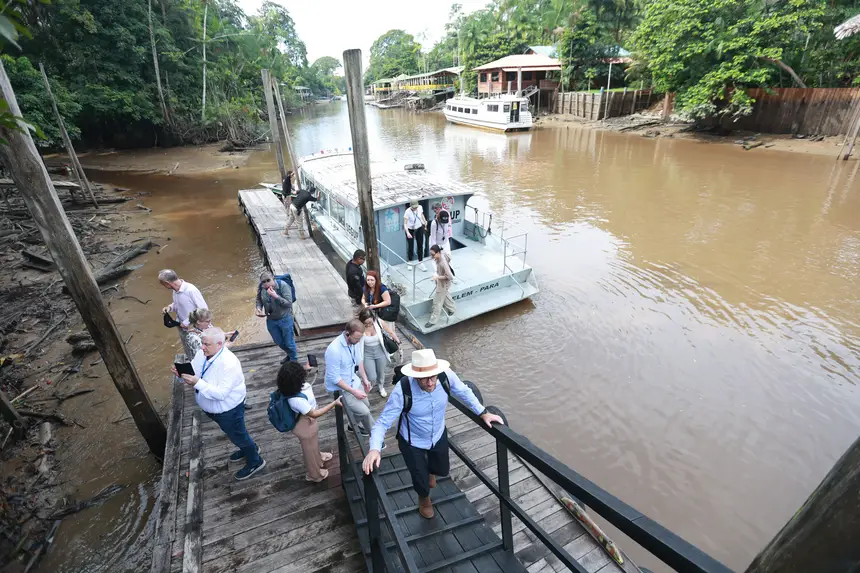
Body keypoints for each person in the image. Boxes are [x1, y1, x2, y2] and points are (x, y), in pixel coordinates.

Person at [362, 349, 503, 518]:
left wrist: (483, 412)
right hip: (412, 440)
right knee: (420, 478)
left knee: (441, 469)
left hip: (437, 433)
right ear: (415, 376)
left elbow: (464, 391)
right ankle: (424, 500)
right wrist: (374, 449)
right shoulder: (403, 389)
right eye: (424, 378)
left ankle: (431, 472)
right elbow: (383, 422)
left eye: (433, 377)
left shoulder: (445, 376)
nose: (430, 383)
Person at [172, 327, 266, 481]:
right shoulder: (202, 354)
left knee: (238, 434)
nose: (202, 347)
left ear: (220, 344)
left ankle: (256, 461)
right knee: (236, 434)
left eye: (206, 344)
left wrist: (197, 383)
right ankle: (250, 448)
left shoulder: (229, 363)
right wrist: (182, 374)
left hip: (229, 411)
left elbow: (221, 394)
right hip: (213, 410)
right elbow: (195, 371)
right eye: (202, 343)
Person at [277, 361, 341, 482]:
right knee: (309, 451)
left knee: (313, 443)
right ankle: (314, 475)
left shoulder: (290, 386)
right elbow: (314, 414)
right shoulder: (296, 399)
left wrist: (306, 369)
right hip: (304, 425)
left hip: (308, 422)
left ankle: (319, 458)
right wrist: (334, 403)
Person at [324, 319, 374, 437]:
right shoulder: (334, 350)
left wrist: (365, 379)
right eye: (356, 338)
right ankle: (376, 438)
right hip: (340, 388)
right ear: (347, 333)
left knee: (366, 405)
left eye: (360, 338)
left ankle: (352, 426)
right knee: (365, 412)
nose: (358, 341)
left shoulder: (354, 342)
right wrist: (354, 392)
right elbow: (334, 378)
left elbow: (359, 361)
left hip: (353, 381)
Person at [159, 269, 208, 360]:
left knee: (200, 352)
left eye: (162, 284)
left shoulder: (191, 290)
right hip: (182, 326)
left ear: (167, 283)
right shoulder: (175, 290)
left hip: (195, 328)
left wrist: (186, 322)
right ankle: (192, 363)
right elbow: (178, 304)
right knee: (189, 349)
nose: (163, 286)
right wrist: (170, 307)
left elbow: (203, 310)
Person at [255, 271, 298, 362]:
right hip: (271, 320)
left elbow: (289, 304)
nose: (266, 283)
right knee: (278, 341)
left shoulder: (283, 286)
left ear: (273, 279)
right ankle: (290, 355)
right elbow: (259, 299)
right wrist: (258, 308)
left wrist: (276, 296)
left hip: (285, 318)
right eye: (263, 282)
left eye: (268, 280)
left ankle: (294, 361)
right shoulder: (262, 288)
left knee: (289, 343)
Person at [358, 308, 399, 398]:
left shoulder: (379, 322)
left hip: (380, 352)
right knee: (372, 376)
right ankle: (368, 384)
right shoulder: (359, 327)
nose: (368, 325)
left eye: (370, 322)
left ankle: (381, 387)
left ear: (373, 318)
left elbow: (390, 332)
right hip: (367, 354)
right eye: (365, 323)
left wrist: (397, 340)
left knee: (381, 373)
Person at [425, 245, 455, 329]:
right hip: (442, 283)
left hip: (443, 284)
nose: (432, 256)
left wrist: (437, 277)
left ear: (438, 253)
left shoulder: (443, 263)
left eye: (433, 254)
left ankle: (433, 321)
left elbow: (450, 276)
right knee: (445, 295)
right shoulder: (441, 255)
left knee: (437, 302)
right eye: (431, 254)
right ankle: (452, 309)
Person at [404, 198, 428, 271]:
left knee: (420, 245)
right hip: (410, 229)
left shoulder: (420, 207)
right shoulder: (407, 212)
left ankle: (420, 262)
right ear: (410, 206)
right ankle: (410, 262)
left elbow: (421, 215)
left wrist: (424, 221)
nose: (415, 208)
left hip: (419, 227)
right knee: (410, 246)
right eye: (414, 207)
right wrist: (407, 232)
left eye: (416, 207)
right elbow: (405, 223)